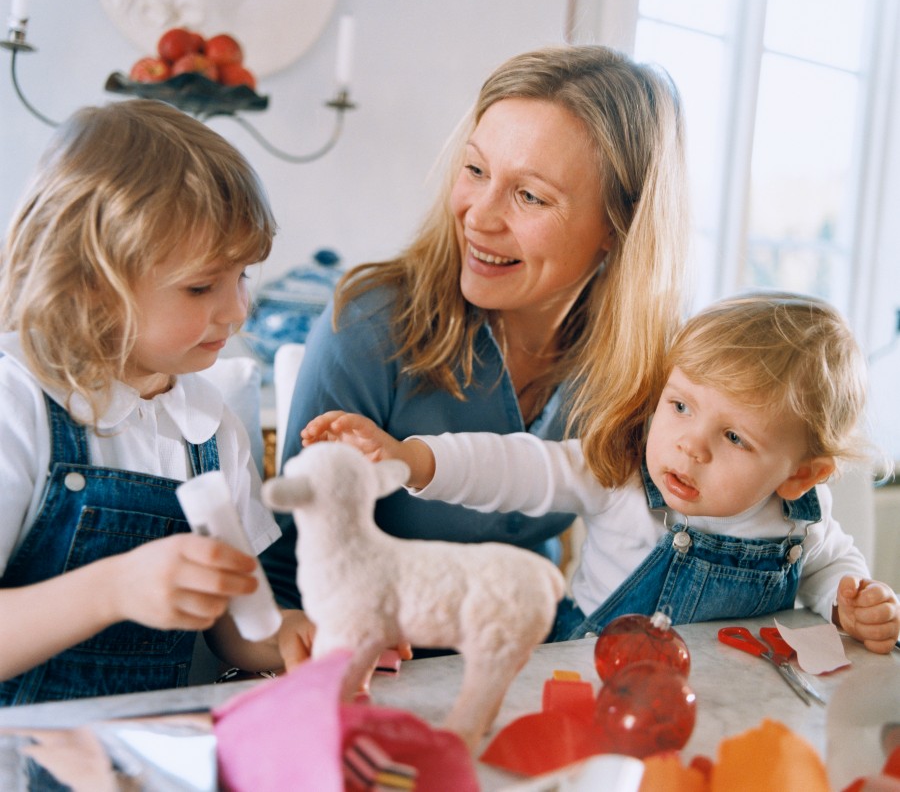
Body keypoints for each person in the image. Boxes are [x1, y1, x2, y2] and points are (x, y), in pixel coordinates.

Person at [263, 44, 690, 612]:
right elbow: (288, 577)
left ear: (620, 224)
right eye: (475, 170)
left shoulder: (649, 363)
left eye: (530, 195)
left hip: (529, 646)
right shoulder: (370, 325)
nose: (479, 216)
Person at [303, 292, 900, 654]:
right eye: (681, 406)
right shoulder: (616, 469)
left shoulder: (799, 517)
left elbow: (828, 566)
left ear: (800, 476)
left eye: (735, 437)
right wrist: (413, 458)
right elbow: (516, 466)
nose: (690, 447)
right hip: (577, 676)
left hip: (722, 705)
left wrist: (848, 601)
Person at [0, 99, 309, 705]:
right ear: (91, 283)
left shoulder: (208, 428)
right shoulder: (18, 403)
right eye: (201, 286)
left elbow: (239, 627)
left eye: (242, 276)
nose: (238, 310)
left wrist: (297, 637)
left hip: (147, 757)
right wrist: (112, 590)